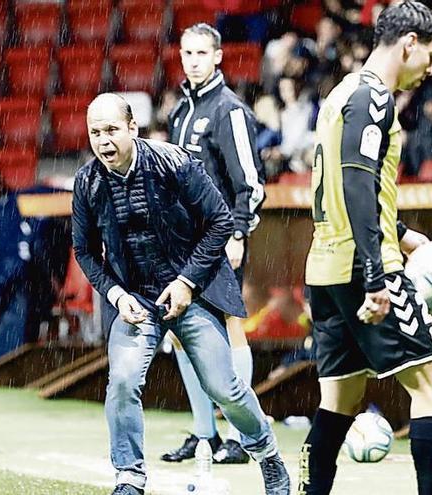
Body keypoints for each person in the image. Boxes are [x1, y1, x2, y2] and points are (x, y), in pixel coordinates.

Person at [73, 93, 289, 495]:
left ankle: (268, 455)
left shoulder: (175, 162)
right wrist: (117, 295)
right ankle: (129, 476)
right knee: (121, 381)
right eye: (95, 132)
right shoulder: (87, 182)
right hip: (135, 300)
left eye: (112, 130)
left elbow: (220, 221)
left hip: (195, 290)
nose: (104, 141)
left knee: (225, 389)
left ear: (132, 129)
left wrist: (187, 282)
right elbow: (84, 251)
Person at [298, 3, 432, 495]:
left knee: (340, 399)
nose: (431, 68)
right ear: (408, 42)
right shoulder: (375, 98)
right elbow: (357, 184)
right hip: (365, 266)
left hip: (324, 267)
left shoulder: (342, 92)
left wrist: (402, 229)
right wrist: (377, 276)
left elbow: (344, 183)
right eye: (430, 54)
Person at [165, 22, 266, 465]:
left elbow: (251, 182)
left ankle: (244, 436)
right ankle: (205, 435)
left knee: (228, 329)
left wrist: (239, 231)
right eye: (187, 53)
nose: (193, 61)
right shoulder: (179, 111)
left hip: (220, 238)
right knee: (185, 333)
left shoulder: (230, 110)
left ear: (219, 56)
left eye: (201, 53)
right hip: (182, 241)